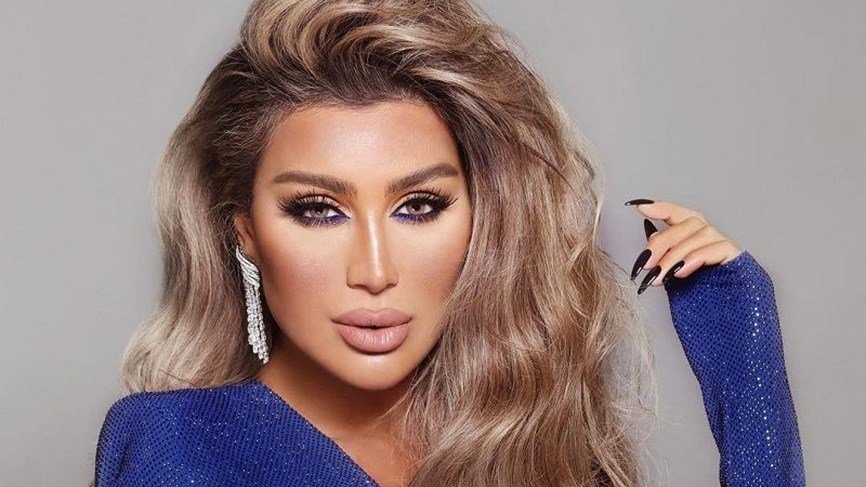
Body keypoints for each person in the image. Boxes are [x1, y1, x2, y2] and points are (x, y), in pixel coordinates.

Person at [92, 0, 805, 485]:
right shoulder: (176, 447)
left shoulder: (533, 449)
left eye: (419, 206)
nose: (374, 270)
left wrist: (747, 370)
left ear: (481, 218)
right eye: (317, 210)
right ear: (245, 231)